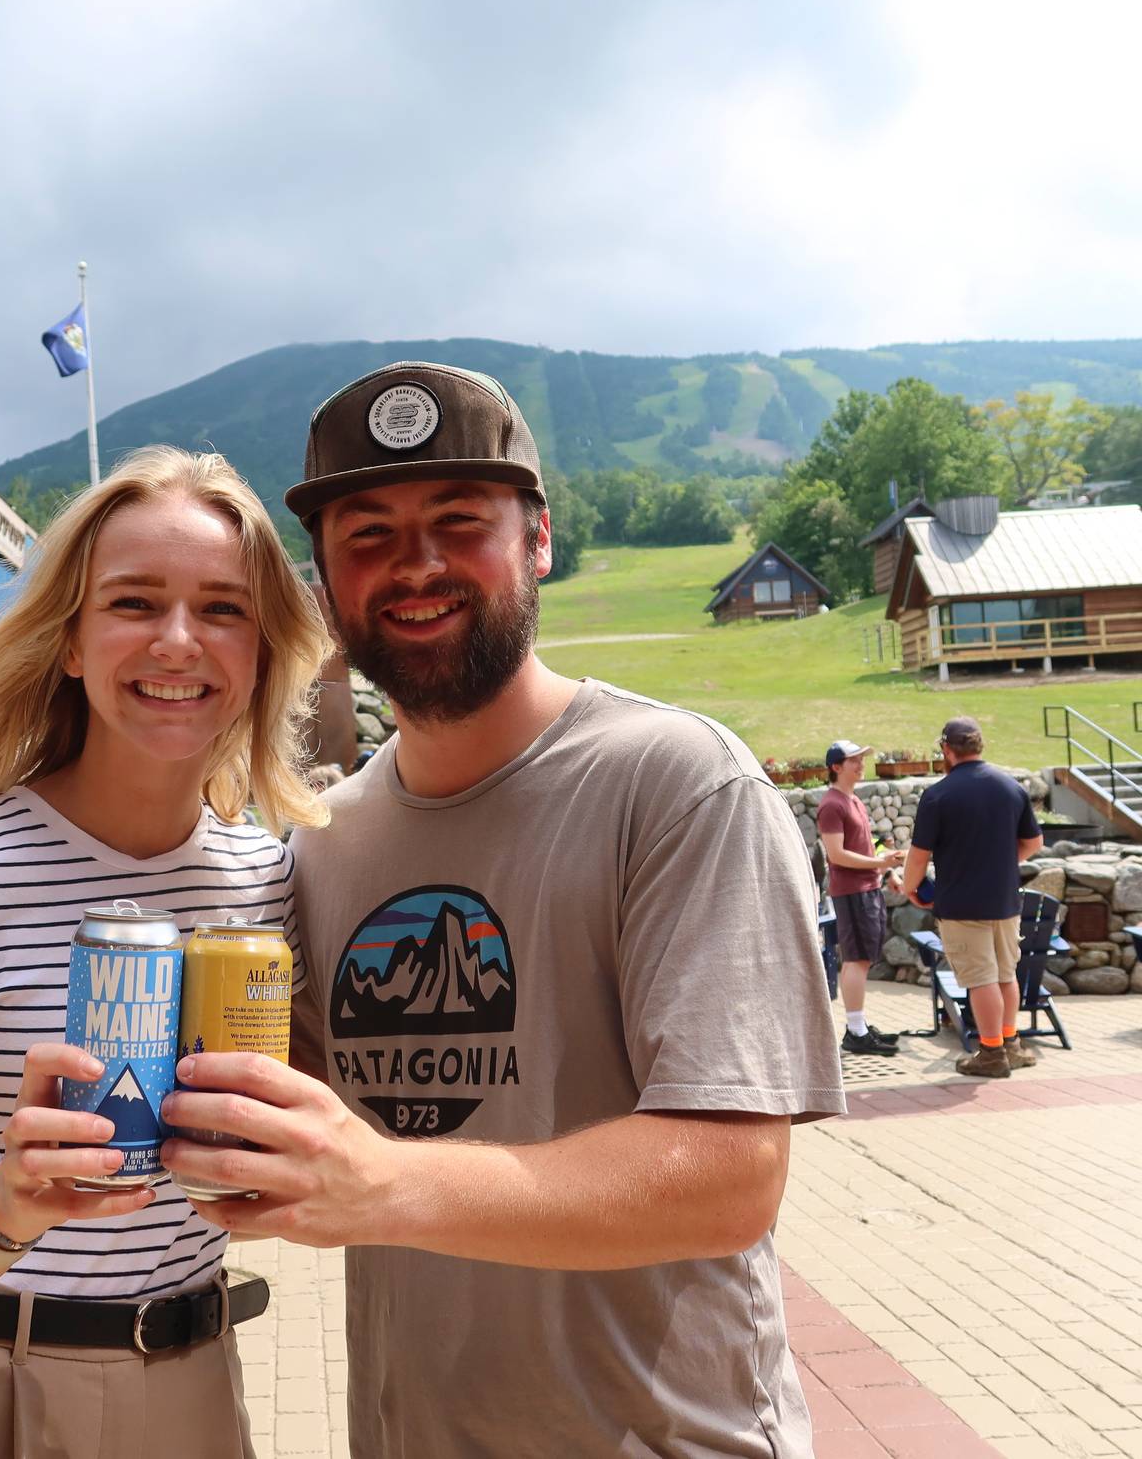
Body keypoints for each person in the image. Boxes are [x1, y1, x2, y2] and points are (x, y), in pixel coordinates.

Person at [158, 362, 846, 1458]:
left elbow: (731, 1178)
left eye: (459, 522)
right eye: (368, 534)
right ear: (327, 586)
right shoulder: (324, 843)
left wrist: (387, 1184)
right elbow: (300, 1124)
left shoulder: (675, 781)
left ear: (538, 541)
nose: (415, 564)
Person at [0, 446, 328, 1457]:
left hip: (197, 1388)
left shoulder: (268, 886)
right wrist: (2, 1205)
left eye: (223, 608)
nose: (179, 641)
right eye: (133, 602)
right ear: (70, 643)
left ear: (262, 648)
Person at [902, 717, 1045, 1079]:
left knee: (981, 978)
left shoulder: (939, 795)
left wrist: (909, 888)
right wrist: (1000, 863)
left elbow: (919, 856)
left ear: (947, 750)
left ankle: (991, 1052)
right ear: (979, 746)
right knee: (1005, 974)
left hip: (962, 904)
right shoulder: (1010, 787)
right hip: (1005, 899)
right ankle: (1011, 1044)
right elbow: (1033, 843)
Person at [817, 740, 908, 1056]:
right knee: (856, 959)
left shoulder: (852, 800)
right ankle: (855, 1032)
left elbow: (867, 844)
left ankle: (859, 1024)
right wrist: (882, 864)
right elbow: (837, 855)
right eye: (853, 760)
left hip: (867, 889)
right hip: (852, 893)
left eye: (861, 759)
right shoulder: (832, 805)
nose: (860, 764)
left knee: (863, 959)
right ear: (836, 767)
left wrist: (889, 873)